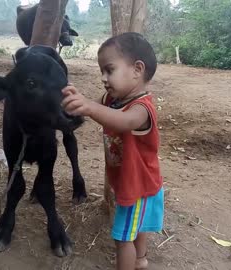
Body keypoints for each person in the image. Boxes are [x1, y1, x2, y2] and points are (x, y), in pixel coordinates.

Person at [61, 32, 164, 270]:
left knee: (122, 236)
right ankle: (141, 260)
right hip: (129, 179)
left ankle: (134, 261)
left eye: (109, 70)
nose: (103, 78)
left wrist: (88, 106)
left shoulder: (141, 109)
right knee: (136, 225)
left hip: (138, 185)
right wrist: (81, 101)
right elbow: (99, 110)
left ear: (137, 69)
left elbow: (122, 121)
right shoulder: (112, 99)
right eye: (102, 72)